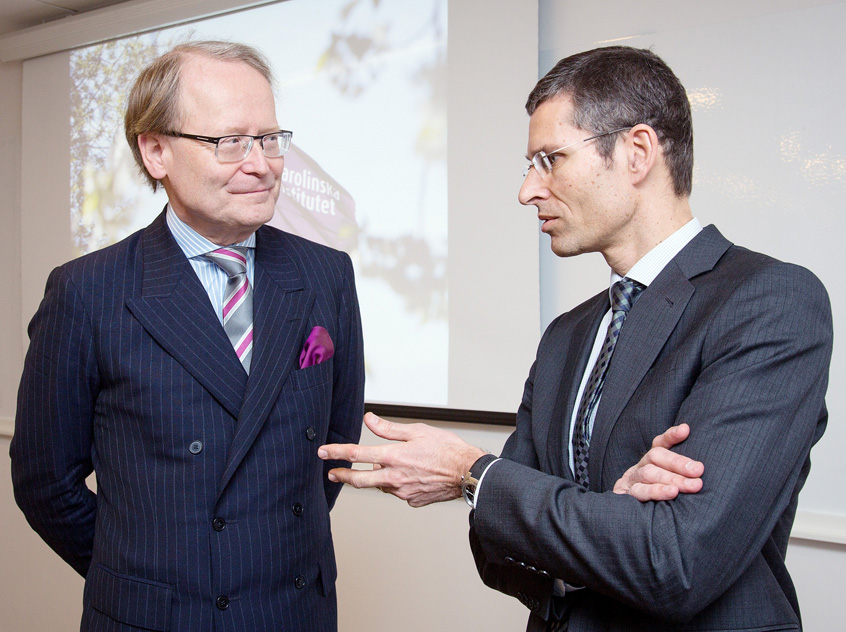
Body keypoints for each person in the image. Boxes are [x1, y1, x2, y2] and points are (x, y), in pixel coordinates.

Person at [319, 46, 833, 631]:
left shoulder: (769, 302)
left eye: (550, 159)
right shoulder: (568, 335)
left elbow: (677, 561)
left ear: (637, 152)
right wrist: (610, 519)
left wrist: (475, 473)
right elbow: (495, 551)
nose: (527, 191)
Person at [11, 41, 364, 631]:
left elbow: (332, 437)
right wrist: (141, 571)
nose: (260, 163)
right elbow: (46, 482)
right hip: (157, 616)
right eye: (229, 142)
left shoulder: (325, 273)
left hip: (294, 608)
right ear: (156, 151)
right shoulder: (88, 291)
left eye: (270, 138)